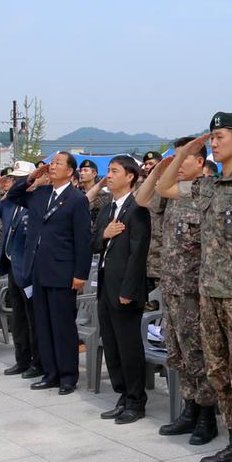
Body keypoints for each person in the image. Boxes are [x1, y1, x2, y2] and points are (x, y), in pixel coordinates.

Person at [156, 113, 232, 462]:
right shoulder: (208, 187)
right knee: (219, 371)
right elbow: (163, 188)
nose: (214, 143)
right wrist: (185, 153)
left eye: (220, 136)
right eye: (211, 138)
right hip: (209, 292)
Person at [136, 138, 219, 444]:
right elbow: (143, 199)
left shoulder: (206, 192)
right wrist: (160, 168)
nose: (178, 164)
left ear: (200, 162)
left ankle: (207, 416)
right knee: (178, 351)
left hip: (197, 289)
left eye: (184, 158)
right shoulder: (170, 192)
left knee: (199, 352)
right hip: (170, 285)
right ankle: (189, 408)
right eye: (175, 158)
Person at [6, 152, 93, 393]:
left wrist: (80, 274)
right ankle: (50, 372)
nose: (52, 167)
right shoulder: (40, 194)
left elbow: (83, 240)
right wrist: (34, 175)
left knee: (63, 326)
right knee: (42, 324)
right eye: (51, 163)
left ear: (70, 171)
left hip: (63, 271)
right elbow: (13, 195)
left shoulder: (77, 199)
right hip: (38, 269)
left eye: (58, 164)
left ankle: (67, 376)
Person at [93, 156, 151, 423]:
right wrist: (104, 235)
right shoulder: (107, 209)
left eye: (115, 171)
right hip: (106, 285)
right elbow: (92, 242)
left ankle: (136, 400)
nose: (109, 175)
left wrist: (128, 290)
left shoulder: (137, 208)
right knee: (112, 344)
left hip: (125, 289)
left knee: (128, 347)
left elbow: (138, 254)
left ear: (130, 176)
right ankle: (122, 394)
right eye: (108, 171)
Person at [0, 161, 42, 378]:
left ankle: (37, 362)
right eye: (11, 178)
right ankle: (22, 360)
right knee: (18, 318)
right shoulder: (8, 203)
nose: (13, 182)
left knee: (32, 319)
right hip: (11, 268)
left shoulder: (35, 202)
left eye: (18, 179)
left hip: (29, 270)